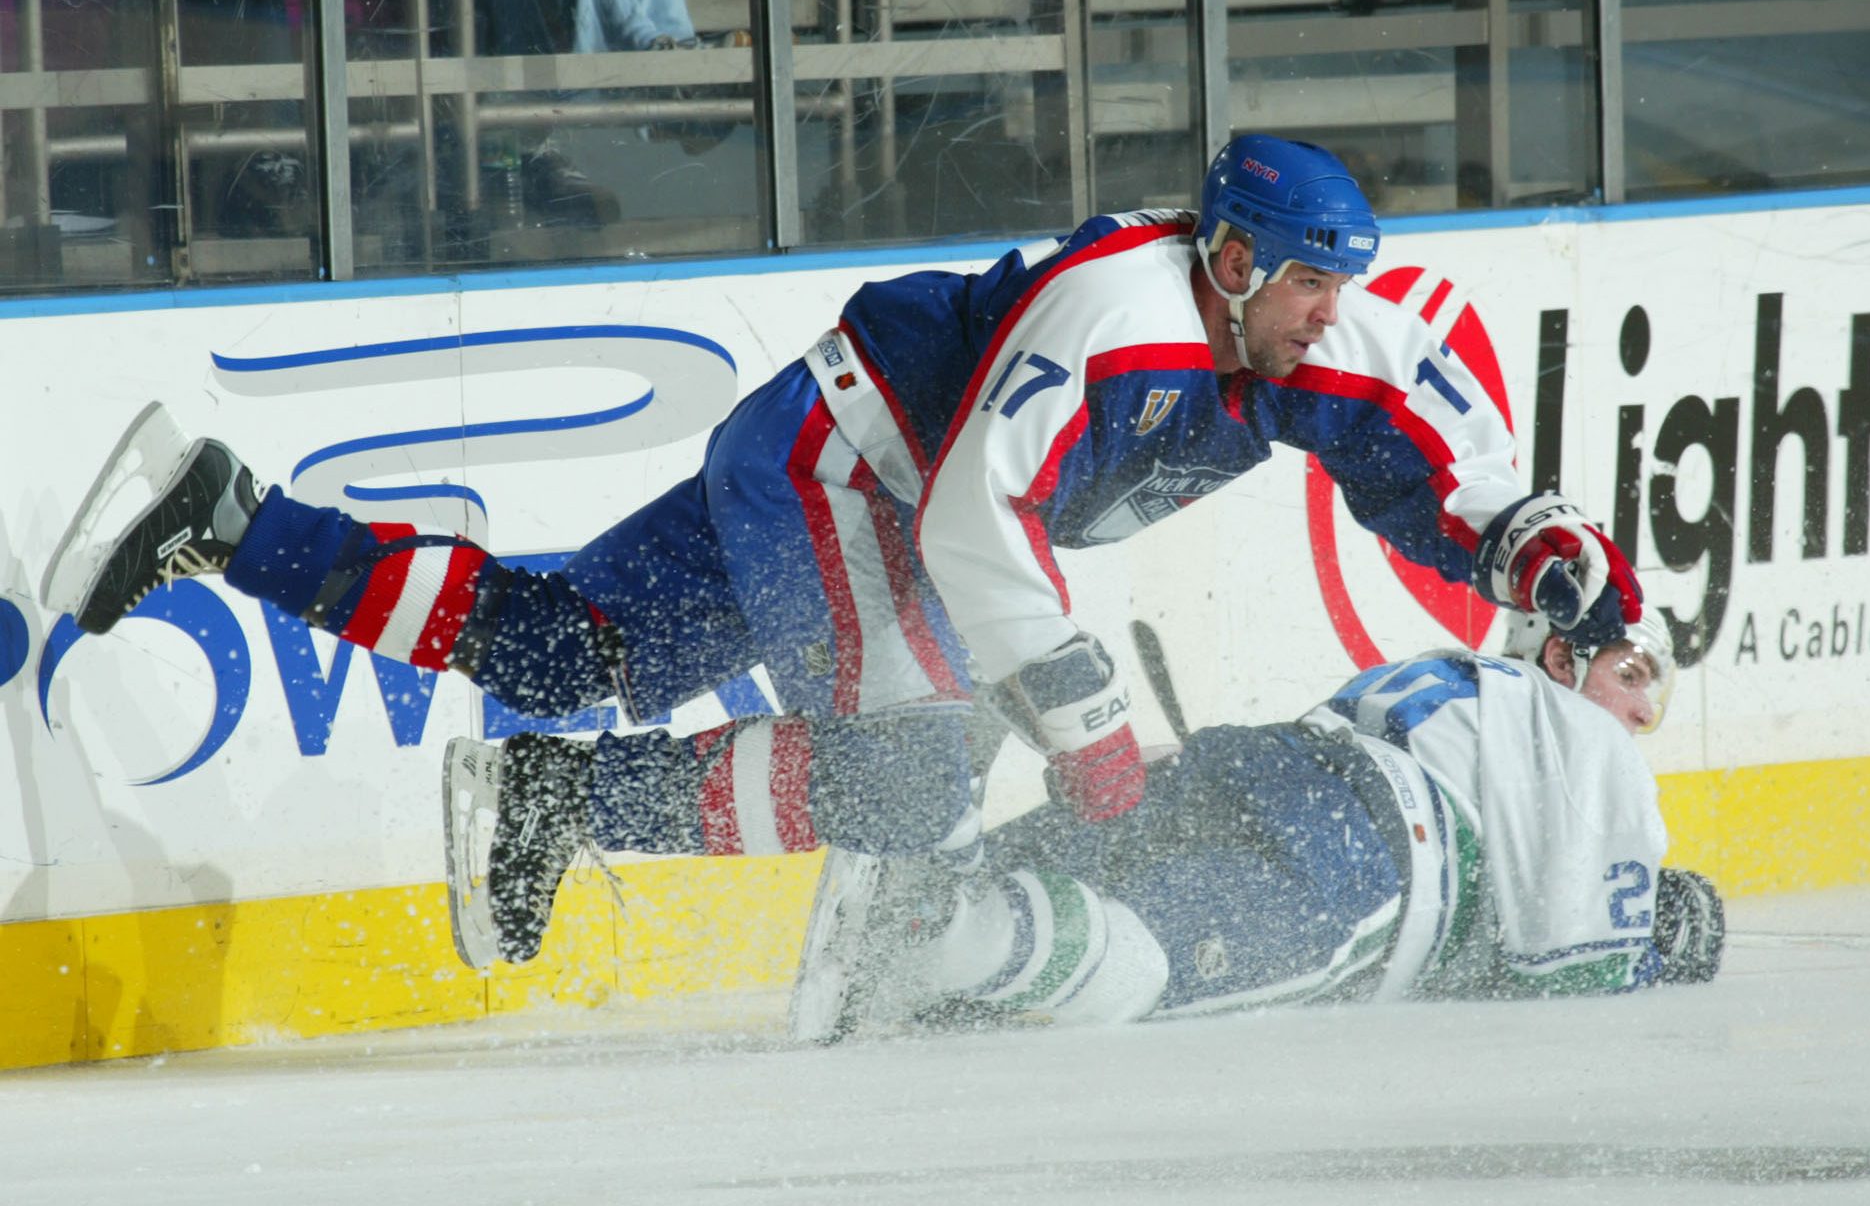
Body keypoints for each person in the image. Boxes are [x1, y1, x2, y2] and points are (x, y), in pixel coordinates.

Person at [40, 136, 1643, 968]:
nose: (1330, 312)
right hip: (856, 471)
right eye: (1306, 282)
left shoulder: (1305, 338)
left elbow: (1440, 461)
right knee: (917, 776)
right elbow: (970, 527)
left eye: (1337, 287)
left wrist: (1552, 569)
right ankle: (719, 869)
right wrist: (1082, 724)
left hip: (816, 451)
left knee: (564, 654)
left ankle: (226, 518)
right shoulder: (1120, 316)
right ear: (1231, 258)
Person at [790, 609, 1727, 1042]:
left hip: (1272, 763)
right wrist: (1659, 935)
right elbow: (1571, 968)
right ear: (1559, 652)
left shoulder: (1451, 676)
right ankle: (940, 937)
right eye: (1632, 673)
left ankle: (930, 854)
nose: (1642, 712)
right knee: (1140, 964)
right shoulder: (1580, 737)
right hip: (1370, 863)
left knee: (1073, 869)